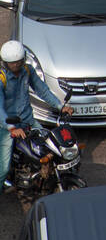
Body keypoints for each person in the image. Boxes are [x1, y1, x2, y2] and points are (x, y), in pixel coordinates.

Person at [0, 41, 73, 190]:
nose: (16, 66)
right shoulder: (2, 79)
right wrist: (11, 128)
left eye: (19, 62)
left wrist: (61, 106)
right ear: (5, 63)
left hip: (28, 120)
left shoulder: (28, 70)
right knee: (3, 168)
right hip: (6, 126)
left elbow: (43, 90)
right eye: (12, 63)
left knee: (50, 146)